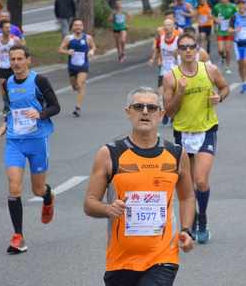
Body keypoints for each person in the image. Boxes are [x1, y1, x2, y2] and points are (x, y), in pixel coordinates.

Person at [83, 87, 195, 286]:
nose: (145, 111)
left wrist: (186, 230)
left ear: (161, 114)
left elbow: (187, 196)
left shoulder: (176, 154)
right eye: (138, 106)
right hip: (120, 260)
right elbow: (90, 203)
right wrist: (109, 209)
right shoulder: (110, 154)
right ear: (128, 112)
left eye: (152, 107)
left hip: (163, 257)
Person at [162, 33, 230, 244]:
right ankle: (189, 222)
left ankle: (202, 219)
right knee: (187, 184)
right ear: (178, 51)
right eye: (183, 47)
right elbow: (169, 112)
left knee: (200, 180)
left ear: (197, 48)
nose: (188, 50)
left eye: (192, 46)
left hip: (206, 130)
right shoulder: (171, 77)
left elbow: (225, 87)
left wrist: (220, 97)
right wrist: (180, 92)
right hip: (182, 133)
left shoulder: (209, 70)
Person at [0, 45, 60, 254]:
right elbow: (9, 109)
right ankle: (18, 237)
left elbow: (56, 106)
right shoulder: (7, 84)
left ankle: (48, 197)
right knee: (14, 187)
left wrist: (39, 114)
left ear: (28, 60)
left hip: (37, 140)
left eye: (20, 58)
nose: (15, 63)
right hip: (14, 141)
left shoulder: (39, 81)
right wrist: (4, 126)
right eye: (12, 59)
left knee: (37, 189)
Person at [58, 19, 96, 117]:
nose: (78, 27)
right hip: (72, 66)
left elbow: (93, 47)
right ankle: (79, 88)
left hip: (83, 65)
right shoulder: (68, 38)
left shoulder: (88, 38)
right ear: (72, 27)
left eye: (80, 25)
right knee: (75, 86)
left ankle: (78, 107)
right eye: (76, 25)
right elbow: (60, 49)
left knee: (80, 84)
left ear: (83, 27)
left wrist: (91, 51)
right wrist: (67, 52)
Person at [0, 19, 23, 105]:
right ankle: (6, 105)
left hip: (14, 67)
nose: (8, 29)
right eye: (6, 27)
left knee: (15, 86)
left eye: (9, 27)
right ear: (1, 29)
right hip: (2, 67)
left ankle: (18, 103)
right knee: (3, 88)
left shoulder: (15, 40)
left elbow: (22, 52)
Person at [212, 0, 237, 74]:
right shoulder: (217, 7)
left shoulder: (232, 7)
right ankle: (222, 57)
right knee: (220, 50)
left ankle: (227, 67)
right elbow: (213, 16)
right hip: (220, 31)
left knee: (228, 50)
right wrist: (216, 20)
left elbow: (236, 16)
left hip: (229, 30)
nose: (224, 0)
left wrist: (234, 26)